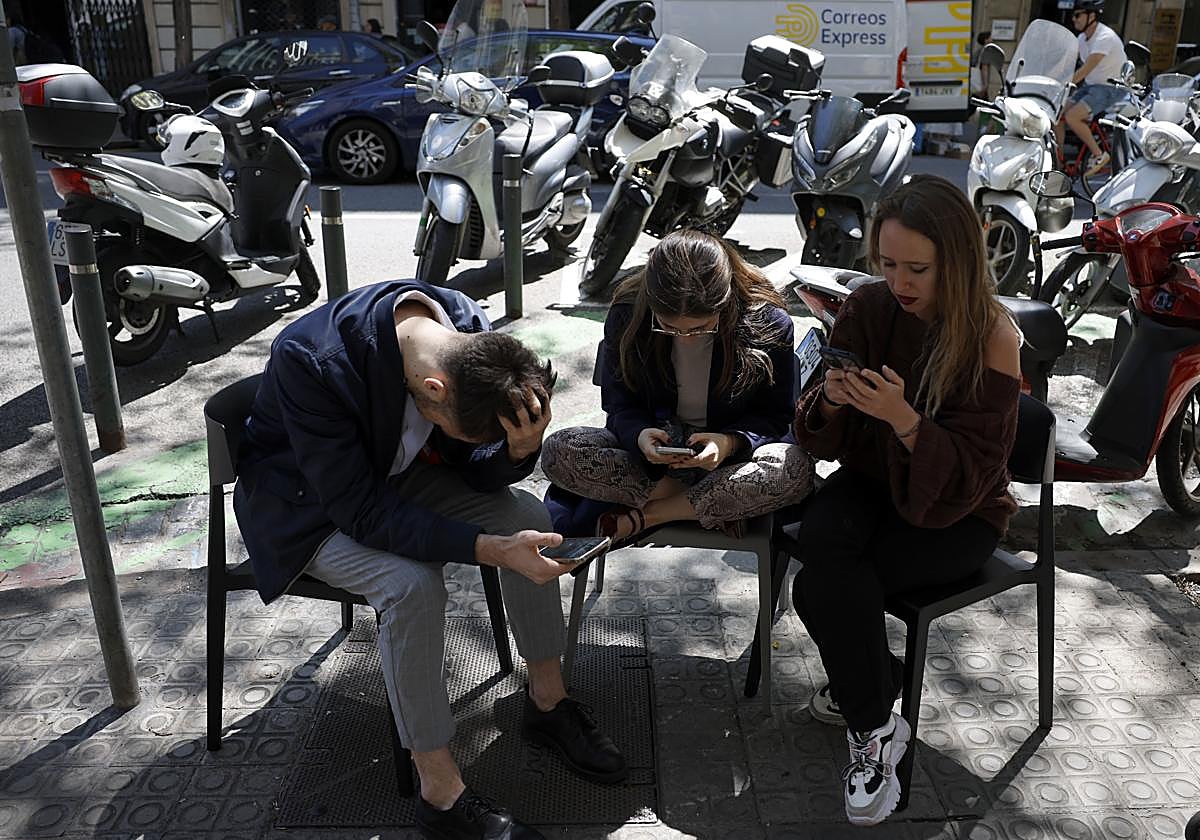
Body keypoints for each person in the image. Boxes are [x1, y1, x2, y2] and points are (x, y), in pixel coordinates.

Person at [234, 280, 627, 840]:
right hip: (309, 510)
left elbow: (474, 463)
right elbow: (361, 514)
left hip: (396, 479)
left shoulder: (464, 325)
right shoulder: (310, 360)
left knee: (526, 519)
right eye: (448, 423)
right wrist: (485, 550)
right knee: (411, 584)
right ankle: (440, 795)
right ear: (435, 389)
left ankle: (547, 702)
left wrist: (518, 449)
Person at [789, 175, 1021, 827]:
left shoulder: (993, 335)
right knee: (820, 544)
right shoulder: (868, 306)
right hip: (872, 480)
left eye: (917, 268)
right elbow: (816, 429)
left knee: (820, 591)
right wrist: (833, 398)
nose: (901, 282)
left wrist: (905, 419)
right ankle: (878, 721)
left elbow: (976, 471)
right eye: (888, 265)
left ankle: (870, 718)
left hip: (961, 511)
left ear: (958, 260)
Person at [541, 229, 812, 546]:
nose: (687, 338)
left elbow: (777, 417)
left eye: (701, 328)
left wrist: (729, 443)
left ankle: (650, 515)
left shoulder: (768, 322)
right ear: (651, 305)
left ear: (725, 306)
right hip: (655, 467)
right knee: (560, 450)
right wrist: (641, 435)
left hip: (730, 463)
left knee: (795, 468)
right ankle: (710, 505)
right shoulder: (628, 315)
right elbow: (620, 406)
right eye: (669, 328)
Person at [1054, 0, 1127, 176]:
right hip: (1092, 87)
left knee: (1072, 116)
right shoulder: (1081, 38)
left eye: (1077, 15)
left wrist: (1061, 84)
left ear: (1091, 16)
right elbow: (1068, 62)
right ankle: (1058, 160)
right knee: (1057, 114)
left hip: (1111, 88)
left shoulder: (1104, 38)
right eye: (1073, 15)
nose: (1074, 19)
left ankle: (1099, 155)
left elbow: (1086, 69)